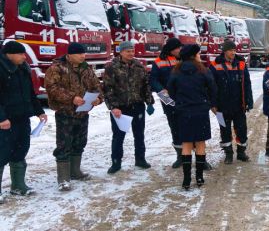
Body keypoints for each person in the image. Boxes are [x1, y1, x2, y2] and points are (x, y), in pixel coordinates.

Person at [45, 42, 103, 191]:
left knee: (79, 142)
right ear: (69, 55)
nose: (83, 56)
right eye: (79, 54)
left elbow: (96, 86)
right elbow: (52, 88)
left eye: (84, 53)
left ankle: (75, 172)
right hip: (65, 113)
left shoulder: (87, 69)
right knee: (64, 145)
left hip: (83, 113)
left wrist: (98, 98)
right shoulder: (56, 68)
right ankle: (63, 178)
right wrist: (72, 98)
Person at [0, 41, 46, 202]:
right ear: (9, 54)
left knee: (20, 151)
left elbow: (30, 94)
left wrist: (39, 111)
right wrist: (2, 118)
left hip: (22, 118)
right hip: (5, 121)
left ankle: (18, 186)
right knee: (2, 154)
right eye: (20, 53)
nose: (24, 56)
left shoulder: (23, 68)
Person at [167, 44, 217, 190]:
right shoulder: (203, 70)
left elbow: (170, 91)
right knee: (200, 143)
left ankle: (187, 179)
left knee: (187, 144)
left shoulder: (176, 71)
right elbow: (213, 88)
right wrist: (209, 103)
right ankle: (200, 177)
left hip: (184, 112)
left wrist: (180, 103)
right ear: (194, 55)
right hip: (201, 110)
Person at [103, 41, 155, 174]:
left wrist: (149, 102)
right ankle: (116, 162)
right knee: (118, 136)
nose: (131, 53)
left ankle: (140, 159)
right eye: (128, 51)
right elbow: (107, 89)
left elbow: (146, 85)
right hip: (120, 108)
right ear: (121, 52)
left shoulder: (139, 66)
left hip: (137, 106)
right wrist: (113, 107)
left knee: (139, 134)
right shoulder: (112, 67)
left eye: (132, 51)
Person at [210, 40, 253, 164]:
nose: (233, 52)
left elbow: (247, 83)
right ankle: (228, 154)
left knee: (241, 129)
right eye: (230, 50)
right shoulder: (215, 65)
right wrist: (212, 104)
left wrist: (249, 101)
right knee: (224, 129)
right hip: (221, 107)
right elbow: (210, 86)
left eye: (234, 50)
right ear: (224, 51)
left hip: (239, 105)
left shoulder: (241, 63)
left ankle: (241, 152)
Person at [150, 38, 183, 168]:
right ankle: (180, 155)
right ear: (171, 49)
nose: (180, 50)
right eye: (177, 48)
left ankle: (197, 155)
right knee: (174, 127)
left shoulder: (184, 59)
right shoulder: (158, 62)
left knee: (190, 127)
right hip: (168, 99)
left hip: (184, 98)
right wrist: (161, 90)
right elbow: (153, 80)